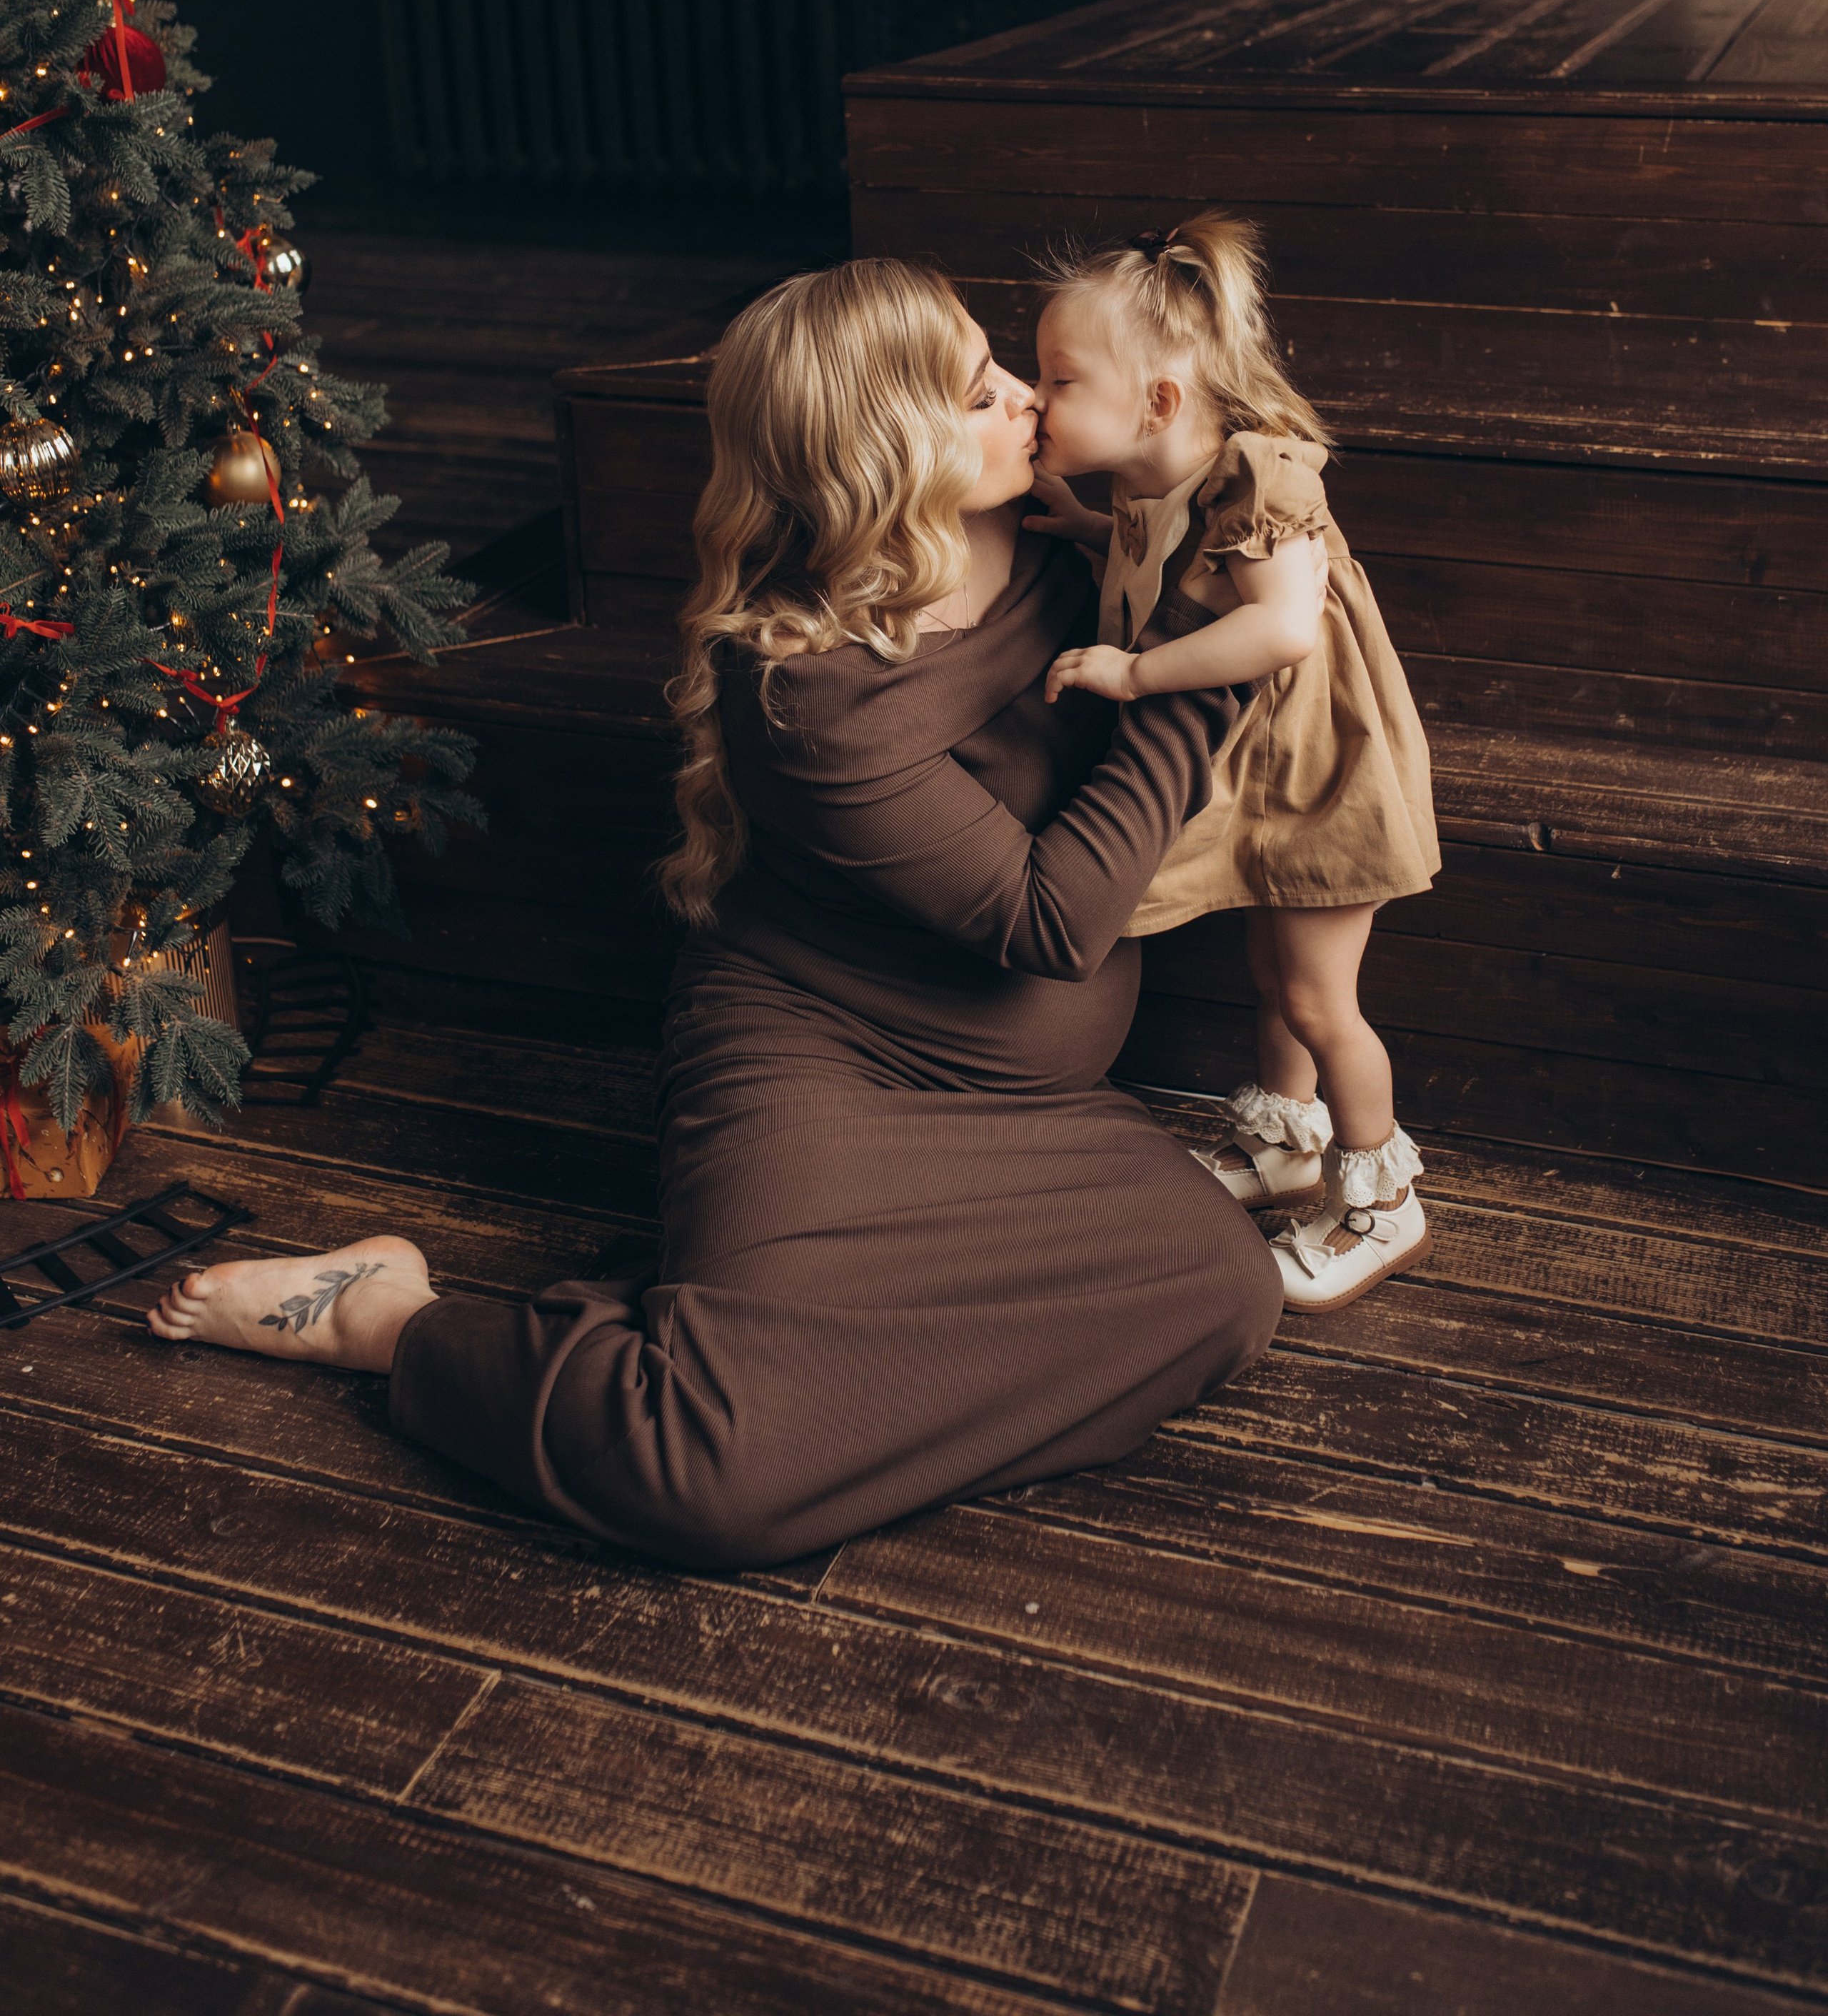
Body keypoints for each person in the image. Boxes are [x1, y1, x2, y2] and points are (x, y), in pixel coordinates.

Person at [148, 257, 1282, 1567]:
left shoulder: (1068, 545)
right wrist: (1199, 677)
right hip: (829, 1067)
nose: (1030, 401)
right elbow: (1054, 922)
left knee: (1224, 1289)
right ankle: (390, 1321)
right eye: (983, 393)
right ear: (888, 455)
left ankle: (790, 1336)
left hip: (1029, 1113)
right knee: (710, 1476)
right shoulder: (811, 690)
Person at [1025, 211, 1440, 1313]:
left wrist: (1127, 675)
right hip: (1262, 782)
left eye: (1056, 380)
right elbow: (1159, 567)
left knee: (1319, 1000)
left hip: (1319, 780)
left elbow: (1282, 631)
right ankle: (1286, 1146)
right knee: (1276, 979)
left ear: (1157, 402)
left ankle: (1380, 1203)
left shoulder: (1258, 479)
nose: (1034, 400)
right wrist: (1074, 525)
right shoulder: (1144, 482)